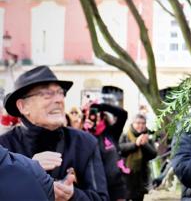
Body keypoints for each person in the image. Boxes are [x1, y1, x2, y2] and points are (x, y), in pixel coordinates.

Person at [0, 65, 109, 200]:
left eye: (60, 92)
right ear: (23, 106)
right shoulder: (4, 146)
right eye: (47, 94)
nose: (59, 99)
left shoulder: (84, 143)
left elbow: (101, 198)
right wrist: (26, 172)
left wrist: (73, 196)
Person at [83, 102, 128, 200]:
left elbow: (123, 114)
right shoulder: (83, 136)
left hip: (116, 185)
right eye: (93, 115)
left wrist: (103, 106)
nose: (96, 117)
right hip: (95, 187)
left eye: (99, 114)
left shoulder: (111, 132)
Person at [119, 114, 157, 201]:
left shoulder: (147, 137)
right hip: (126, 176)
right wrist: (135, 144)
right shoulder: (125, 135)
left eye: (143, 123)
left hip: (141, 177)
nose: (141, 125)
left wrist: (144, 144)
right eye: (138, 123)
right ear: (133, 123)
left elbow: (153, 154)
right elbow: (120, 149)